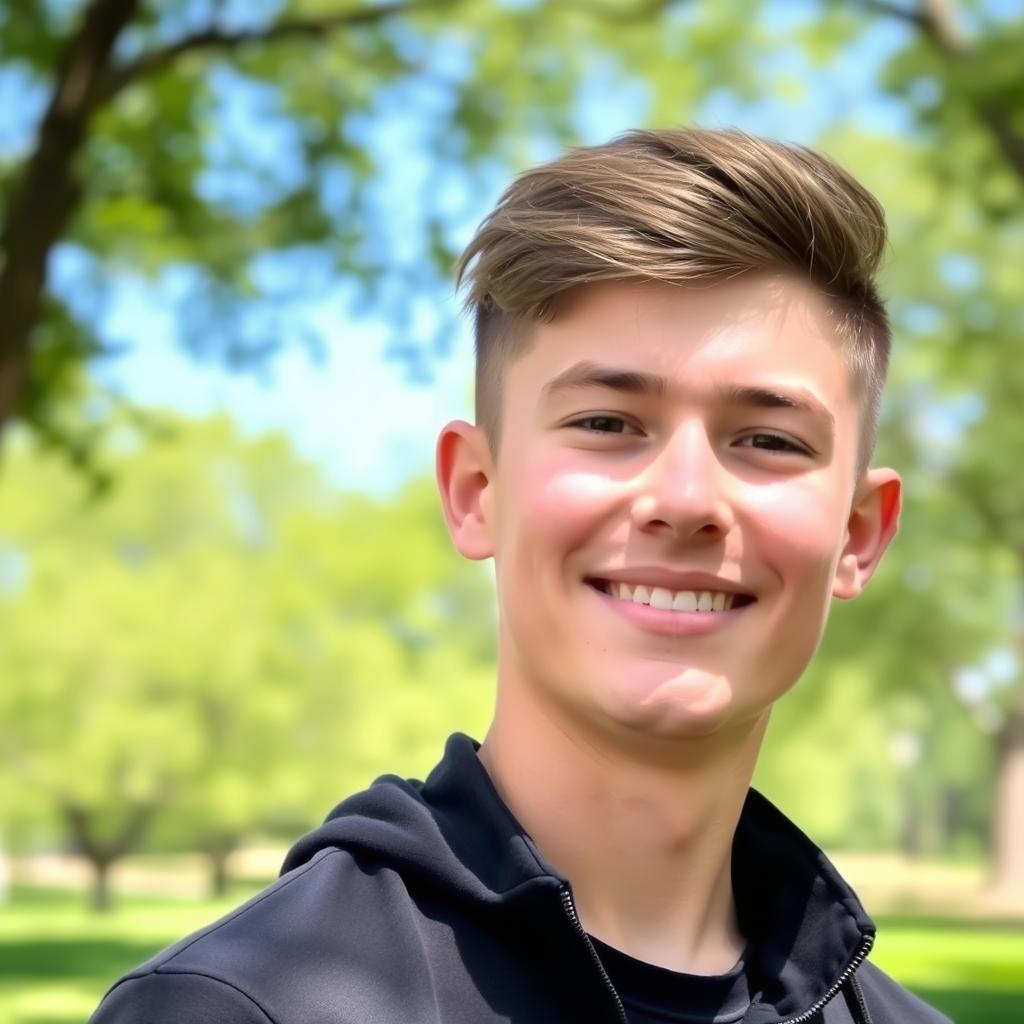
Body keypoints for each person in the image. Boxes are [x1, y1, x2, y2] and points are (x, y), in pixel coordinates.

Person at [90, 128, 949, 1024]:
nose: (687, 499)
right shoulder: (244, 1008)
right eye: (609, 423)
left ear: (858, 534)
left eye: (768, 440)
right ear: (476, 491)